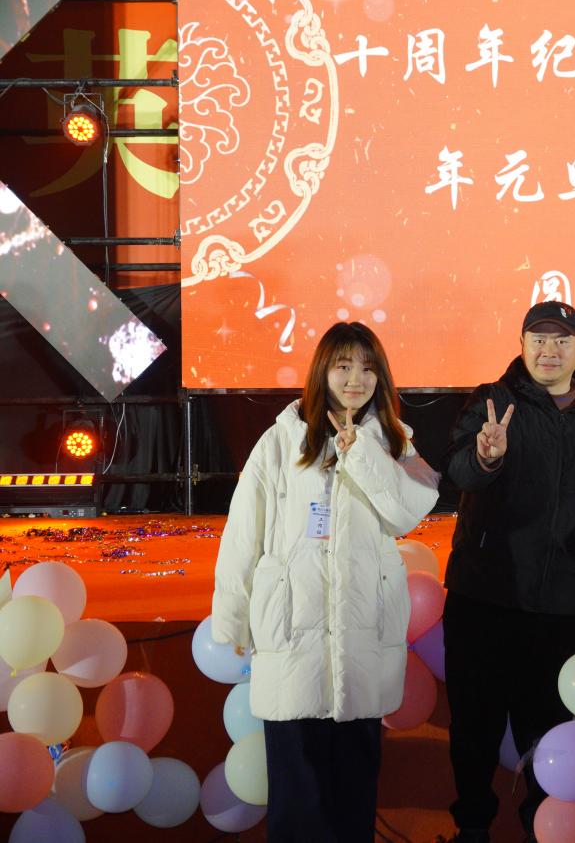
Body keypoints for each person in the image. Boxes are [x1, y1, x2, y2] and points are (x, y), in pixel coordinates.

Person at [211, 321, 440, 843]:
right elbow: (243, 533)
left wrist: (361, 452)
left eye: (368, 368)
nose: (356, 379)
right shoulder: (280, 440)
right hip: (296, 637)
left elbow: (407, 511)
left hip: (361, 640)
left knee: (352, 800)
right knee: (297, 801)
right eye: (343, 366)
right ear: (322, 372)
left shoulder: (394, 441)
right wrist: (233, 616)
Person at [442, 301, 575, 842]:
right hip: (483, 598)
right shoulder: (493, 401)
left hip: (556, 607)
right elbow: (459, 471)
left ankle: (542, 831)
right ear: (521, 345)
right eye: (538, 339)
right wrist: (487, 457)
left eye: (562, 340)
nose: (550, 350)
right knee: (474, 728)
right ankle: (473, 827)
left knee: (547, 732)